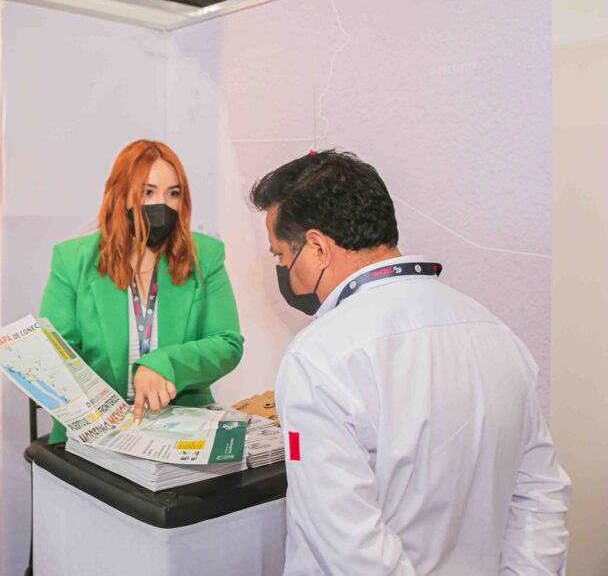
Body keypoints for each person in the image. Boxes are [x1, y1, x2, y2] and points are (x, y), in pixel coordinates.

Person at [250, 150, 570, 575]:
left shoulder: (318, 358)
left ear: (317, 247)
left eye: (279, 256)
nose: (283, 271)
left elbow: (348, 545)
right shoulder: (494, 331)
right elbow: (540, 495)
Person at [39, 139, 243, 444]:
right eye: (148, 192)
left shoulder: (206, 256)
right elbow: (56, 352)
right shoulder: (73, 259)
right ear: (121, 195)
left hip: (181, 429)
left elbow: (227, 344)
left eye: (173, 193)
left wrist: (163, 364)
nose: (162, 204)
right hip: (95, 435)